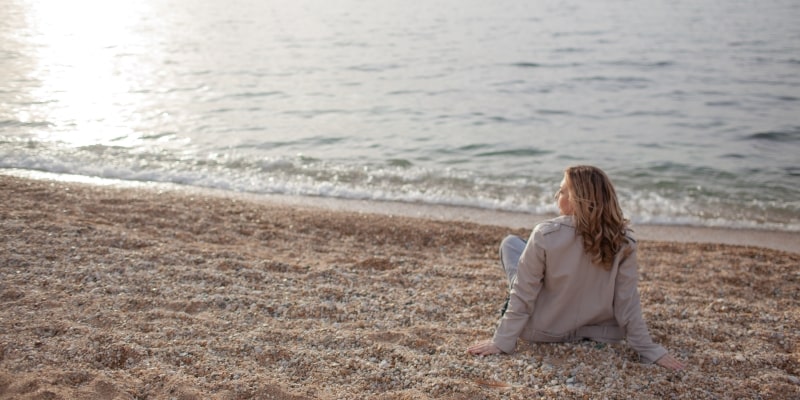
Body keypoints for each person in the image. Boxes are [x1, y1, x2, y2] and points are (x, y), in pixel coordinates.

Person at [467, 165, 685, 371]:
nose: (556, 197)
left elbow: (524, 293)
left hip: (545, 330)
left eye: (562, 191)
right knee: (520, 248)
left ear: (576, 200)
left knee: (510, 244)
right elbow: (627, 301)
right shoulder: (624, 240)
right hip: (602, 331)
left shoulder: (545, 233)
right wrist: (647, 348)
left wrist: (503, 341)